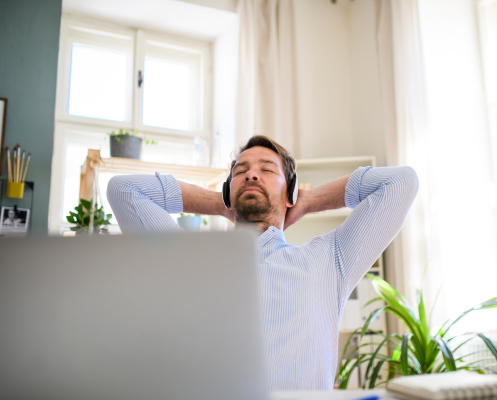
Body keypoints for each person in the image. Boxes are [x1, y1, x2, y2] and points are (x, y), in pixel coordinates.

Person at [107, 135, 418, 390]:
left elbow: (402, 183)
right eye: (241, 171)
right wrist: (221, 202)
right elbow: (124, 191)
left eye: (267, 170)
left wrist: (309, 200)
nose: (251, 175)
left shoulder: (329, 258)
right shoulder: (191, 263)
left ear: (290, 191)